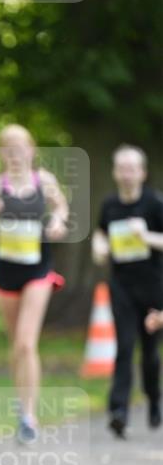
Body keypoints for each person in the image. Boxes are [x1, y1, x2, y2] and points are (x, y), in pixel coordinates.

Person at [0, 124, 68, 443]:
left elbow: (61, 208)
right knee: (16, 345)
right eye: (8, 148)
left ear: (32, 151)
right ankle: (21, 396)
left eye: (20, 147)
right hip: (6, 274)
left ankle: (29, 415)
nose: (15, 154)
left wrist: (58, 221)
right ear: (1, 154)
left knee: (26, 342)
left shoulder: (44, 182)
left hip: (38, 270)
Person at [91, 145, 163, 438]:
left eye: (132, 168)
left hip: (153, 287)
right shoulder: (110, 205)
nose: (127, 174)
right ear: (115, 172)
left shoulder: (154, 204)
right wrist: (99, 247)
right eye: (122, 168)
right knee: (124, 346)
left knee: (149, 353)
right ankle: (118, 410)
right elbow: (100, 234)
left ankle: (153, 398)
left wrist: (145, 236)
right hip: (121, 286)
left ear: (142, 172)